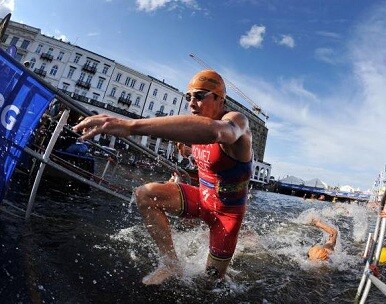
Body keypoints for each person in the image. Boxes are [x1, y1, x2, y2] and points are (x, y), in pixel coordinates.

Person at [73, 70, 253, 285]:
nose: (191, 103)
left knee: (210, 283)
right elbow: (210, 165)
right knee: (146, 194)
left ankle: (236, 246)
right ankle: (170, 264)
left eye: (199, 96)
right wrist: (186, 157)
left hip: (227, 215)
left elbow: (220, 133)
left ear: (219, 98)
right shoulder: (198, 127)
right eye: (188, 97)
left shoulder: (236, 121)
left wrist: (131, 126)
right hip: (202, 199)